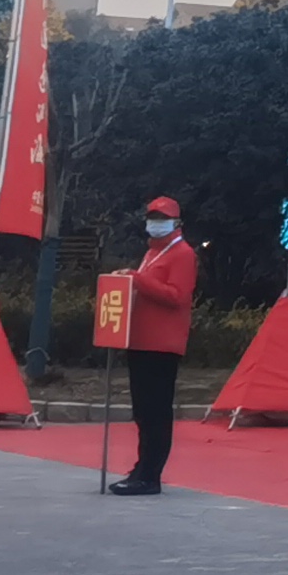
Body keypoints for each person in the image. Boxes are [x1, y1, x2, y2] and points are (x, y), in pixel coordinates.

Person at [103, 195, 197, 495]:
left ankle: (150, 475)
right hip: (141, 340)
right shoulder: (152, 253)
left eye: (163, 219)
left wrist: (137, 279)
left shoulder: (182, 254)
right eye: (153, 218)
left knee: (155, 411)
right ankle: (142, 467)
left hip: (162, 344)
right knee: (143, 411)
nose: (157, 224)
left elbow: (176, 296)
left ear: (176, 222)